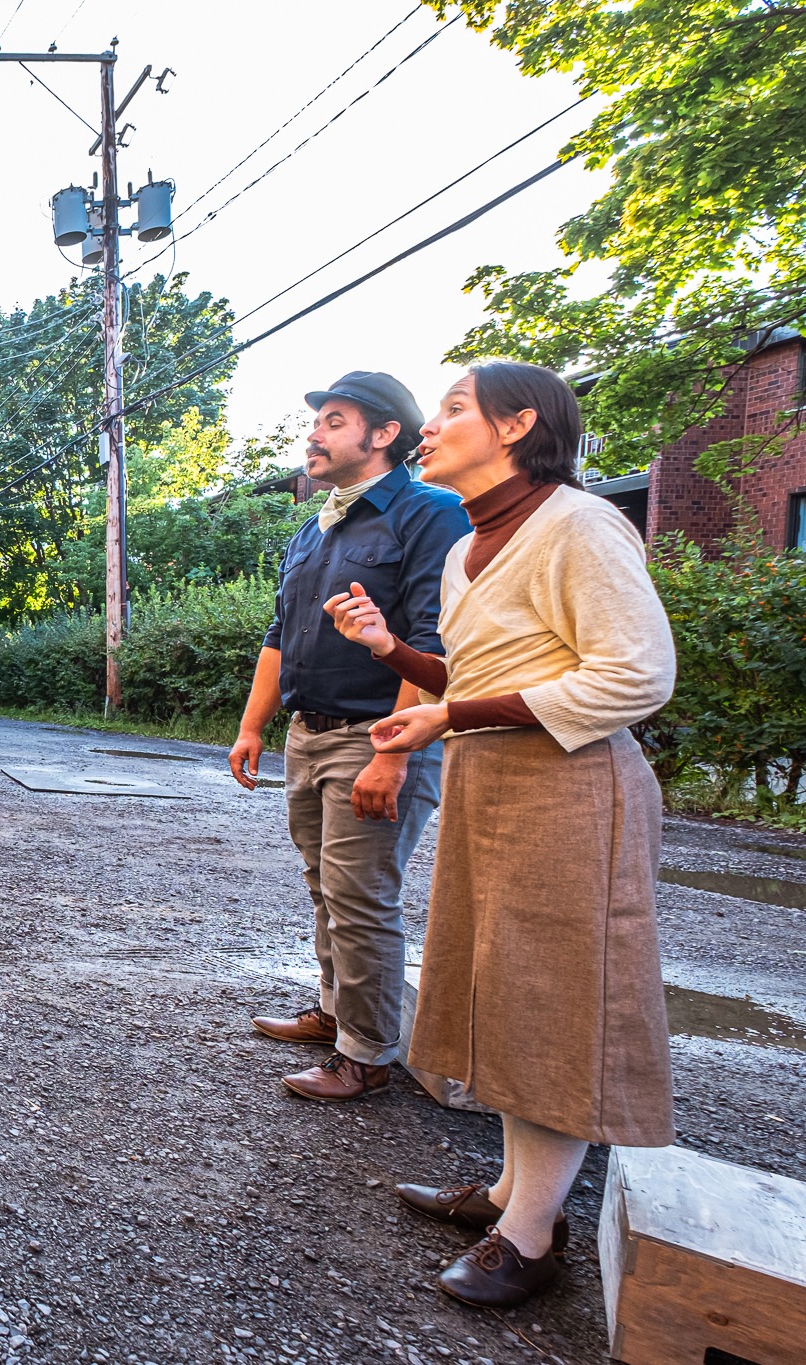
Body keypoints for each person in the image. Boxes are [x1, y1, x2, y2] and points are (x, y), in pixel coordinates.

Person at [323, 360, 675, 1308]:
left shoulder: (580, 523)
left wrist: (450, 717)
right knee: (504, 992)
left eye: (451, 411)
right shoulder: (466, 548)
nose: (429, 428)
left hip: (572, 791)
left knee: (554, 1003)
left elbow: (638, 676)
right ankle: (515, 1190)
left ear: (518, 425)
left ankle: (532, 1236)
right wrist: (389, 656)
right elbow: (473, 680)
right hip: (497, 786)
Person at [229, 371, 473, 1101]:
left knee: (361, 894)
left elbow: (436, 638)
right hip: (310, 731)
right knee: (324, 887)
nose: (315, 434)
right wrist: (252, 725)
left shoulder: (430, 514)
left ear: (383, 433)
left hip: (380, 732)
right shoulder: (316, 526)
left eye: (334, 421)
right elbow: (281, 634)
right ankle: (338, 1014)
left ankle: (366, 1052)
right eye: (319, 422)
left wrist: (394, 753)